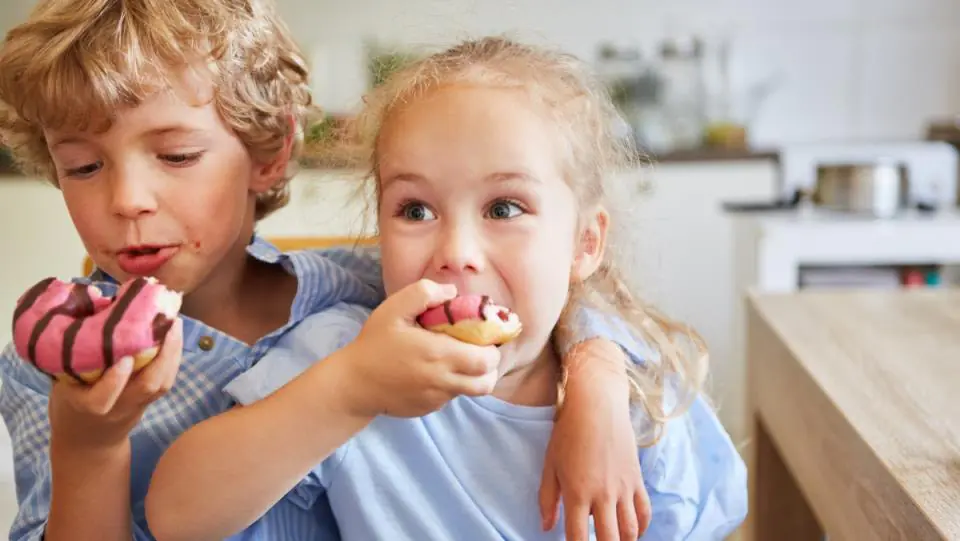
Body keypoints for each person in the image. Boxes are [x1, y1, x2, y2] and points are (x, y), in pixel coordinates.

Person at [0, 3, 655, 541]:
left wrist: (596, 380)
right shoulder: (47, 370)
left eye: (175, 154)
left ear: (269, 152)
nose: (126, 200)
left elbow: (539, 297)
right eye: (84, 166)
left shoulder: (360, 290)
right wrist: (89, 448)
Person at [146, 36, 748, 541]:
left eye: (505, 207)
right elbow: (176, 516)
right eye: (415, 210)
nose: (455, 252)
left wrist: (601, 382)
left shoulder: (642, 404)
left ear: (584, 244)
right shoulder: (345, 355)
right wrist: (351, 389)